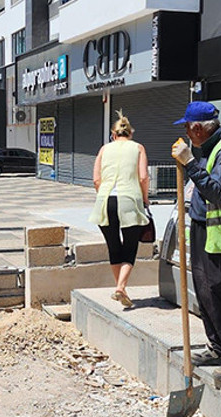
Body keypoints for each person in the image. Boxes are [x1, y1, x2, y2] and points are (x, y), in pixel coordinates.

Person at [171, 101, 221, 383]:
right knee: (204, 293)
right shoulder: (208, 148)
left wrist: (190, 163)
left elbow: (216, 191)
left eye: (186, 127)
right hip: (204, 229)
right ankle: (217, 346)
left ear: (196, 128)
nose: (185, 132)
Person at [89, 110, 150, 308]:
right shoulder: (138, 148)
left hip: (105, 200)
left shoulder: (104, 149)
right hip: (129, 199)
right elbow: (143, 177)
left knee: (113, 246)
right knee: (130, 246)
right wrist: (145, 199)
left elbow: (96, 179)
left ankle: (120, 287)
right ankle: (120, 288)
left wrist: (103, 194)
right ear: (130, 133)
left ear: (114, 135)